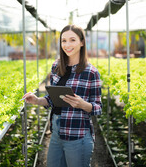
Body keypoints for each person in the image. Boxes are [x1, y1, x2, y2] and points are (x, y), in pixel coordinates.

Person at [23, 24, 102, 167]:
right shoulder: (56, 66)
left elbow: (98, 108)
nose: (67, 45)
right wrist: (37, 100)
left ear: (82, 42)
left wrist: (83, 104)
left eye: (72, 40)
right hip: (56, 133)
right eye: (63, 41)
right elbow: (53, 99)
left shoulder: (91, 72)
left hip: (77, 135)